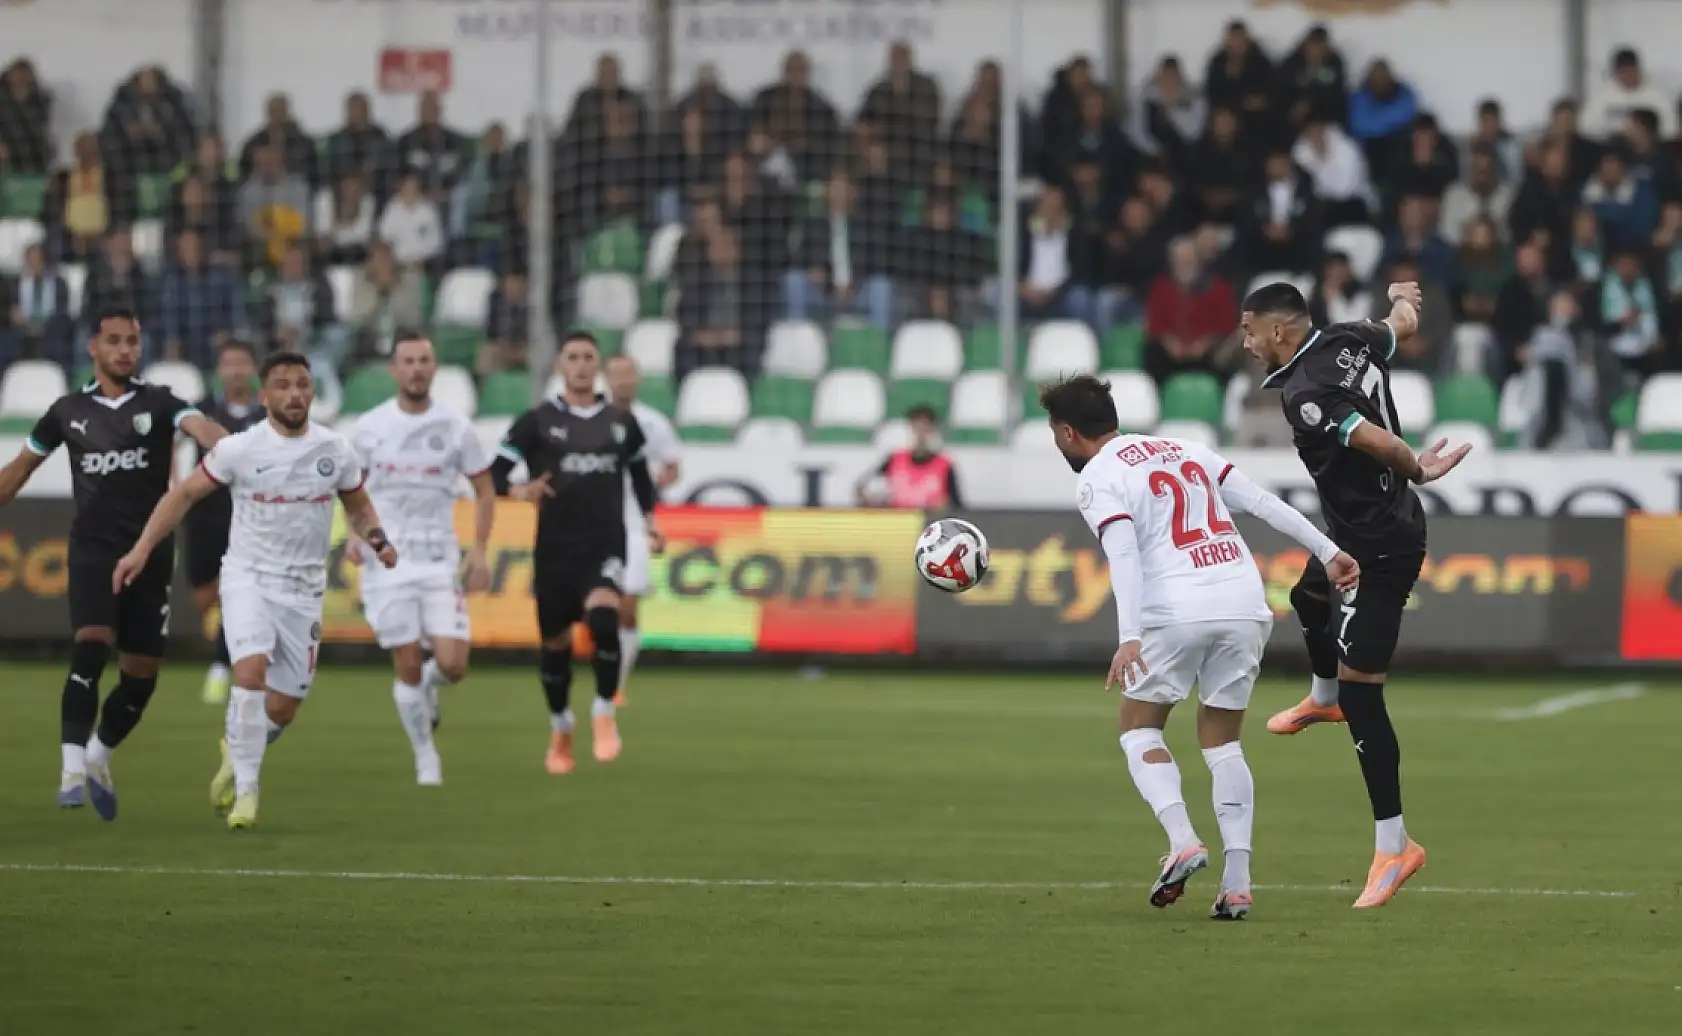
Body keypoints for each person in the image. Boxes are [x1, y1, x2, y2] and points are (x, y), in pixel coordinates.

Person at [1040, 374, 1360, 919]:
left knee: (1139, 727)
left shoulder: (1098, 476)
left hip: (1175, 609)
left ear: (1069, 433)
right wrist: (1329, 551)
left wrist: (1129, 637)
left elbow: (1123, 554)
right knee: (1222, 743)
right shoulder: (1183, 448)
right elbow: (1261, 502)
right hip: (1242, 602)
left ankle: (1183, 839)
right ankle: (1238, 883)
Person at [1238, 280, 1472, 908]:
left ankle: (1395, 847)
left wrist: (1420, 468)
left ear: (1279, 330)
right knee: (1308, 600)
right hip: (1355, 532)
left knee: (1364, 692)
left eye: (1250, 329)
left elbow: (1377, 441)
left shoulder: (1306, 393)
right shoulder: (1347, 337)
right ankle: (1323, 699)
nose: (1246, 342)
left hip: (1381, 545)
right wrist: (1408, 299)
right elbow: (1402, 326)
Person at [111, 352, 395, 830]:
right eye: (283, 386)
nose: (295, 394)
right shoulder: (238, 450)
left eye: (302, 384)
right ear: (265, 397)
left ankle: (236, 753)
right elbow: (182, 496)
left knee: (284, 707)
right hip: (248, 579)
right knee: (250, 669)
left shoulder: (336, 451)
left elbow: (361, 508)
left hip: (303, 591)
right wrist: (140, 549)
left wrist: (379, 540)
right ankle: (247, 793)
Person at [0, 306, 227, 818]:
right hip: (93, 552)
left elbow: (203, 429)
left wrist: (235, 447)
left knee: (140, 678)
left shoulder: (161, 402)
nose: (125, 349)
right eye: (115, 341)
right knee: (90, 647)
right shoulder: (65, 412)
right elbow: (16, 472)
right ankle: (71, 769)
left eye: (132, 341)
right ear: (94, 348)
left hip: (152, 549)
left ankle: (100, 757)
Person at [489, 332, 660, 774]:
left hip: (605, 543)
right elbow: (494, 475)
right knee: (556, 645)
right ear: (560, 367)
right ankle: (561, 726)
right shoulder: (536, 422)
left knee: (605, 617)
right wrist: (519, 489)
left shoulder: (622, 423)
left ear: (597, 366)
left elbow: (641, 479)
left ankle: (604, 710)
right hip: (555, 549)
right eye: (573, 358)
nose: (582, 365)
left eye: (589, 357)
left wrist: (652, 521)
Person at [346, 333, 495, 785]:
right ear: (395, 369)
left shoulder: (455, 427)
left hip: (438, 558)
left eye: (424, 360)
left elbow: (485, 491)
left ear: (435, 368)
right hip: (386, 558)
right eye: (408, 361)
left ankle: (429, 688)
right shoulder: (370, 427)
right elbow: (350, 490)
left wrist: (481, 550)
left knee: (453, 665)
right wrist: (355, 535)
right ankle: (425, 755)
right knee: (406, 661)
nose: (416, 368)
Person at [185, 340, 268, 706]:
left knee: (237, 593)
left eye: (243, 362)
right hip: (205, 515)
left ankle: (222, 666)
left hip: (248, 517)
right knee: (205, 597)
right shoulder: (202, 411)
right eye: (229, 363)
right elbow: (172, 446)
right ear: (219, 370)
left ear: (253, 369)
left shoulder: (267, 413)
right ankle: (229, 644)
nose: (236, 370)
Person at [602, 355, 680, 705]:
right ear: (606, 379)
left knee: (629, 604)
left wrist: (656, 488)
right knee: (597, 606)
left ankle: (617, 682)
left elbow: (673, 465)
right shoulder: (590, 419)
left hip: (634, 521)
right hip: (595, 520)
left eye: (629, 374)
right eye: (617, 375)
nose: (624, 381)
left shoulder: (653, 423)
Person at [859, 404, 964, 509]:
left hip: (930, 520)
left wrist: (946, 506)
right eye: (917, 427)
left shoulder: (944, 465)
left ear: (933, 431)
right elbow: (864, 487)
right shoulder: (895, 460)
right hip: (899, 520)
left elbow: (957, 506)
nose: (920, 433)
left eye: (925, 427)